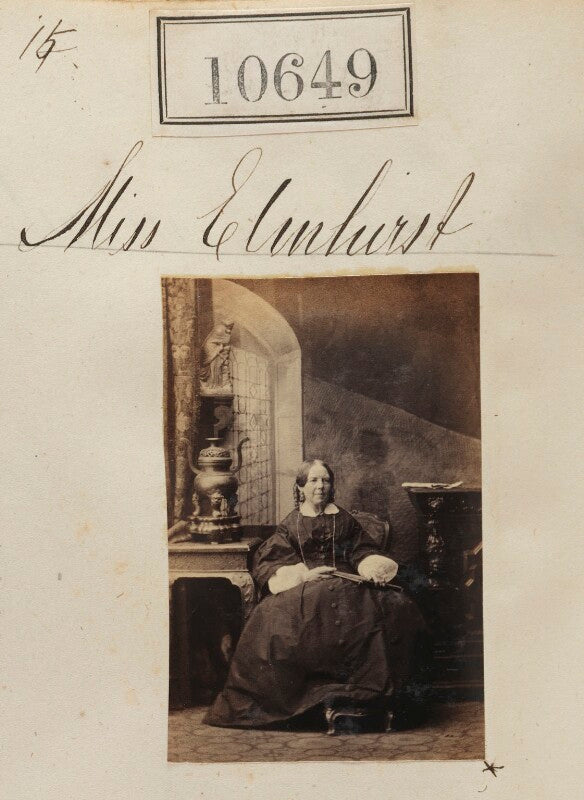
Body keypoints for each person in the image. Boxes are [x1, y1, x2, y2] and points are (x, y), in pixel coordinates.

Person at [203, 459, 427, 729]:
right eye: (313, 480)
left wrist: (369, 567)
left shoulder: (344, 518)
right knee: (276, 622)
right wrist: (303, 575)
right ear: (301, 487)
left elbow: (362, 549)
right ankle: (308, 703)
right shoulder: (292, 523)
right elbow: (272, 560)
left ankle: (369, 697)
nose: (320, 486)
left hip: (347, 582)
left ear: (331, 486)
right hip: (307, 584)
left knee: (396, 609)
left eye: (325, 480)